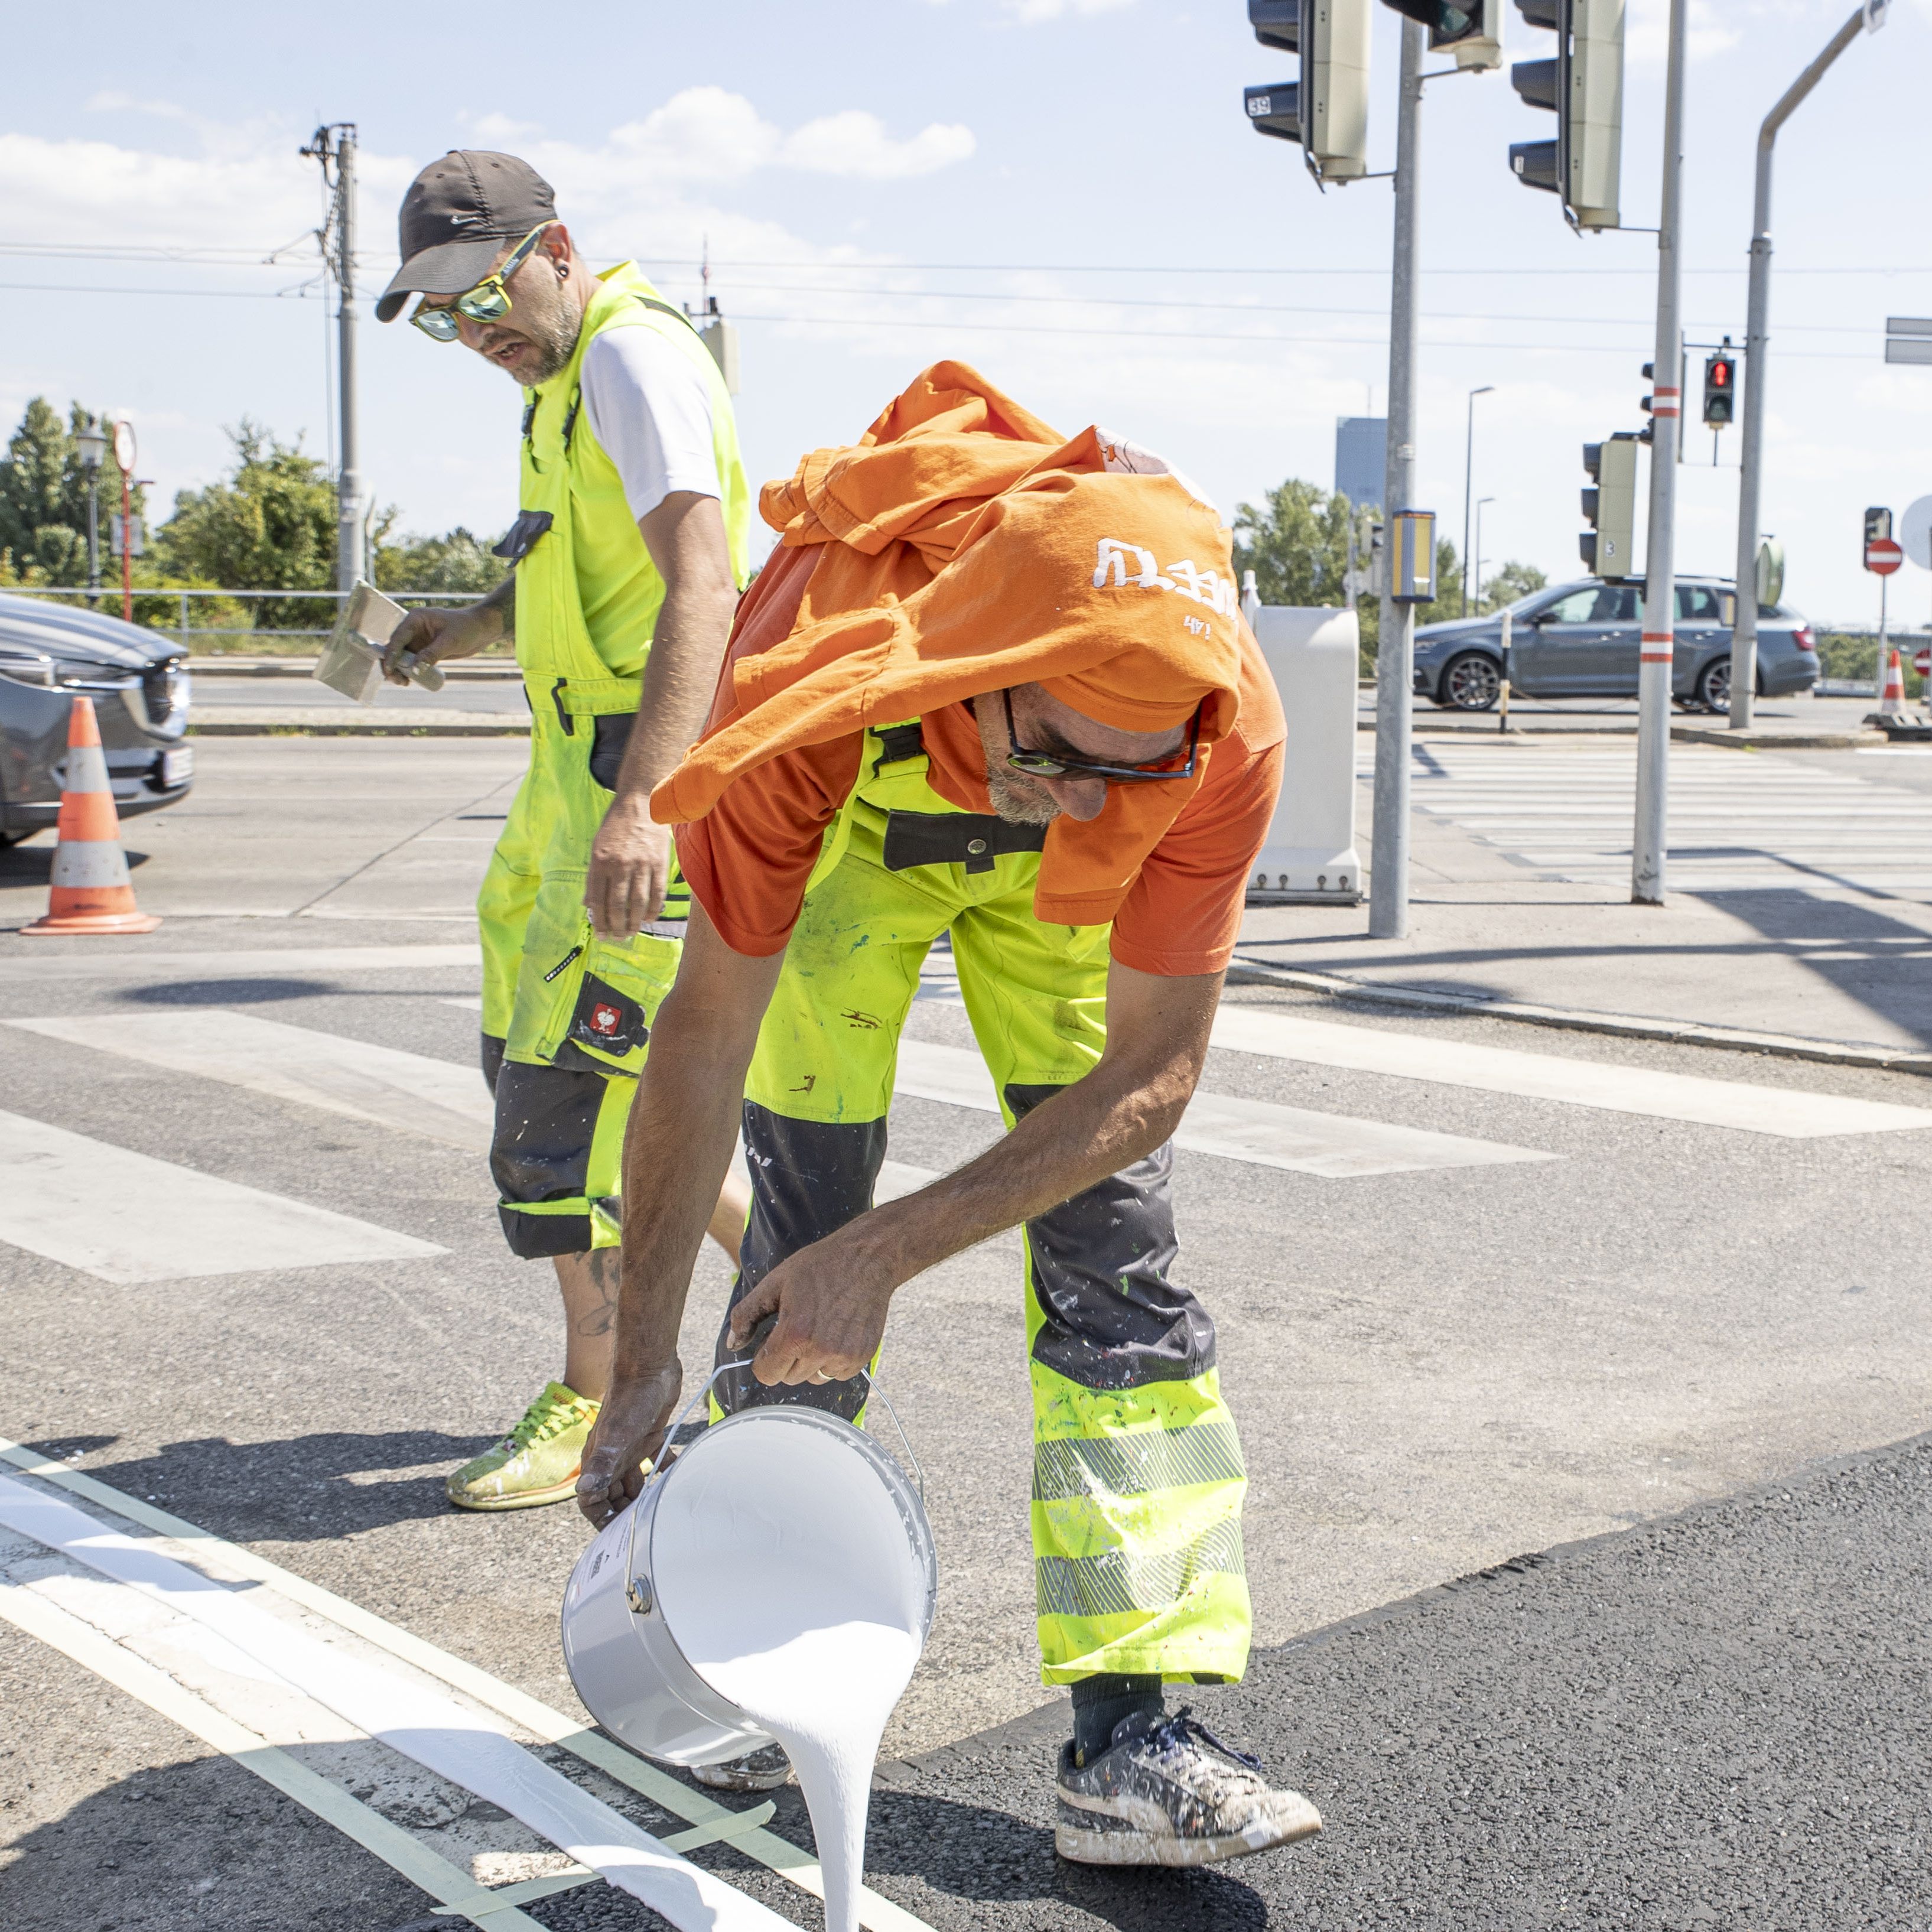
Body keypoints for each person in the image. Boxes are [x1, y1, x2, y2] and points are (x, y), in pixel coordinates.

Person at [576, 365, 1324, 1863]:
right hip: (864, 843)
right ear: (982, 663)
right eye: (1051, 754)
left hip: (1056, 914)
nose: (1084, 796)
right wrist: (642, 1347)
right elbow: (706, 1037)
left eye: (1143, 767)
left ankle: (1137, 1741)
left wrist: (906, 1252)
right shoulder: (808, 670)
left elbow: (1154, 1075)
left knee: (1121, 1266)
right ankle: (747, 1666)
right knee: (808, 1235)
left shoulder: (1216, 721)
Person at [373, 150, 752, 1521]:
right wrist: (457, 629)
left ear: (556, 248)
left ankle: (596, 1397)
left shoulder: (628, 363)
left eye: (483, 292)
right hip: (563, 784)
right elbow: (564, 561)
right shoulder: (559, 380)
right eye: (440, 313)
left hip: (625, 781)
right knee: (575, 1075)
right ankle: (778, 1282)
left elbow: (702, 593)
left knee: (560, 1114)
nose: (475, 329)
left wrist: (646, 804)